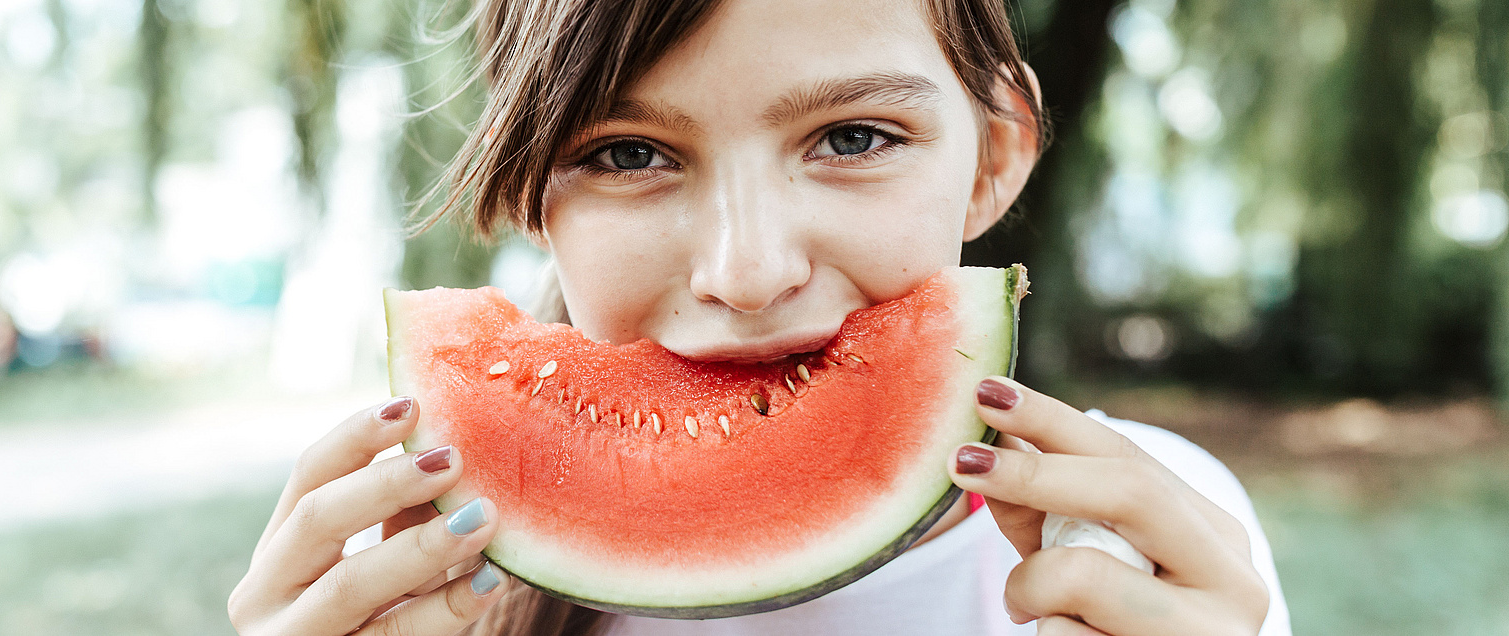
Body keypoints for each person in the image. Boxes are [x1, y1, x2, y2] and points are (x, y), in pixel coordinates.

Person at [228, 0, 1291, 633]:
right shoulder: (416, 585)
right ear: (526, 200)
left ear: (995, 155)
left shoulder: (1151, 544)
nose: (747, 272)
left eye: (855, 137)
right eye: (627, 155)